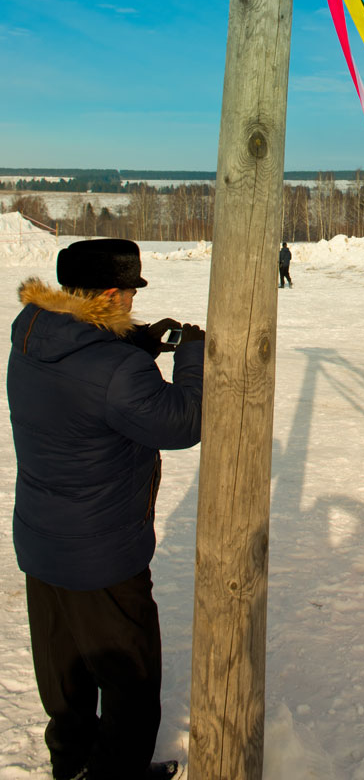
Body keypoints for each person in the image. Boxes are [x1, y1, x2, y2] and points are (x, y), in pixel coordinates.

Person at [6, 239, 205, 780]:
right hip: (104, 555)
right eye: (131, 297)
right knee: (131, 685)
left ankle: (71, 764)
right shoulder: (116, 371)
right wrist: (192, 355)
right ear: (115, 295)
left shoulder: (28, 332)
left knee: (65, 676)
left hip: (42, 543)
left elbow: (87, 366)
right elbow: (182, 421)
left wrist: (138, 341)